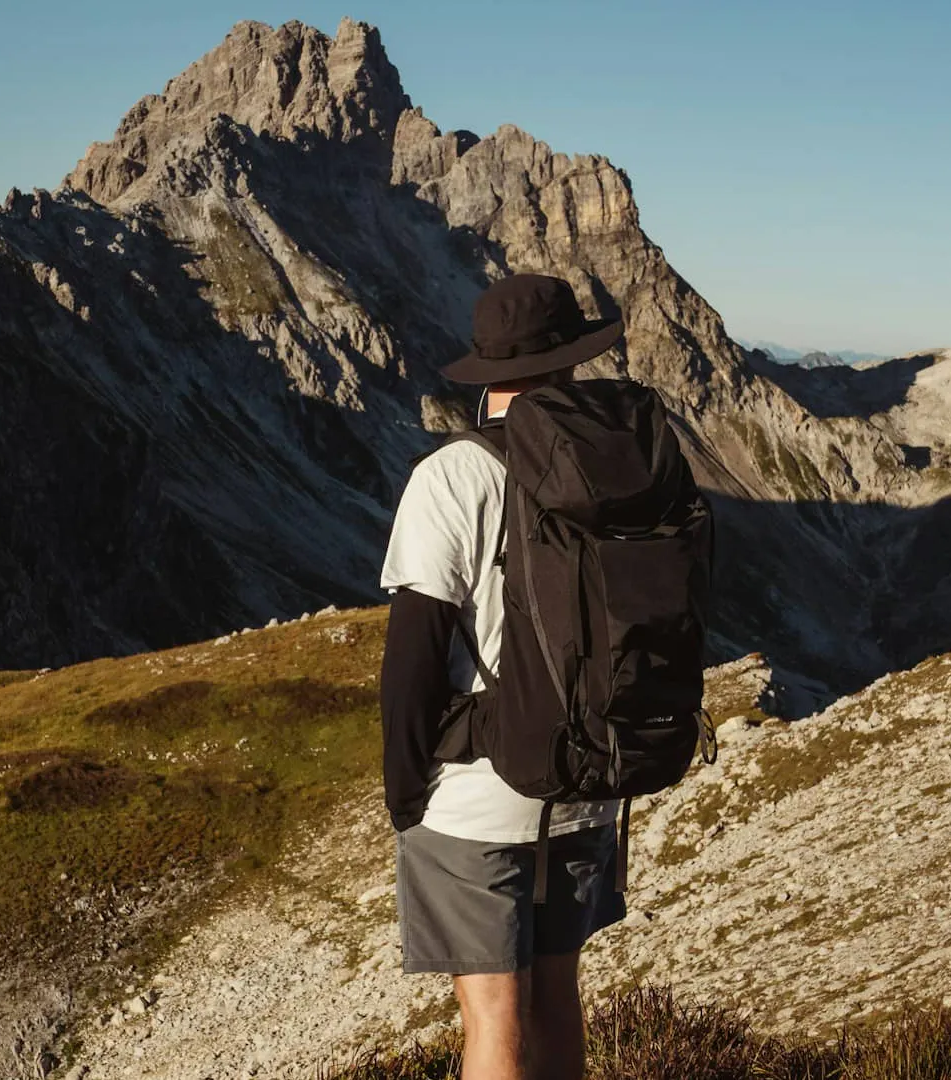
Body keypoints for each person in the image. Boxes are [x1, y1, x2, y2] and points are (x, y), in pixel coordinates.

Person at [380, 273, 626, 1080]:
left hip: (481, 794)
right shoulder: (613, 462)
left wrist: (405, 792)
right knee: (557, 995)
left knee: (493, 1013)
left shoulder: (454, 475)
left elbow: (414, 655)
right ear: (570, 362)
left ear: (488, 372)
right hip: (590, 780)